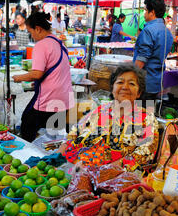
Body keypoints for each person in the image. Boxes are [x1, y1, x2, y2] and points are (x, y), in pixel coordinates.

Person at [58, 64, 159, 169]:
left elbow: (143, 155)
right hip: (70, 167)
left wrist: (101, 172)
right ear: (112, 88)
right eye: (120, 82)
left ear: (139, 93)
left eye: (132, 84)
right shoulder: (100, 110)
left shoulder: (146, 118)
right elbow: (73, 134)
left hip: (110, 177)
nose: (125, 87)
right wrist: (56, 158)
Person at [12, 12, 74, 142]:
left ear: (38, 29)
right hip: (65, 97)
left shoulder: (41, 45)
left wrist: (18, 77)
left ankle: (31, 153)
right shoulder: (59, 42)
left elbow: (36, 74)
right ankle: (52, 155)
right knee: (55, 133)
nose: (32, 36)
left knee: (27, 125)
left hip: (50, 98)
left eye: (31, 32)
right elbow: (56, 71)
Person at [133, 0, 174, 101]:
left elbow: (142, 59)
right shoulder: (167, 32)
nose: (144, 13)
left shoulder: (148, 30)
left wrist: (131, 77)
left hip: (145, 83)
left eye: (145, 10)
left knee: (138, 114)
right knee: (149, 114)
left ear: (152, 12)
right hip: (157, 82)